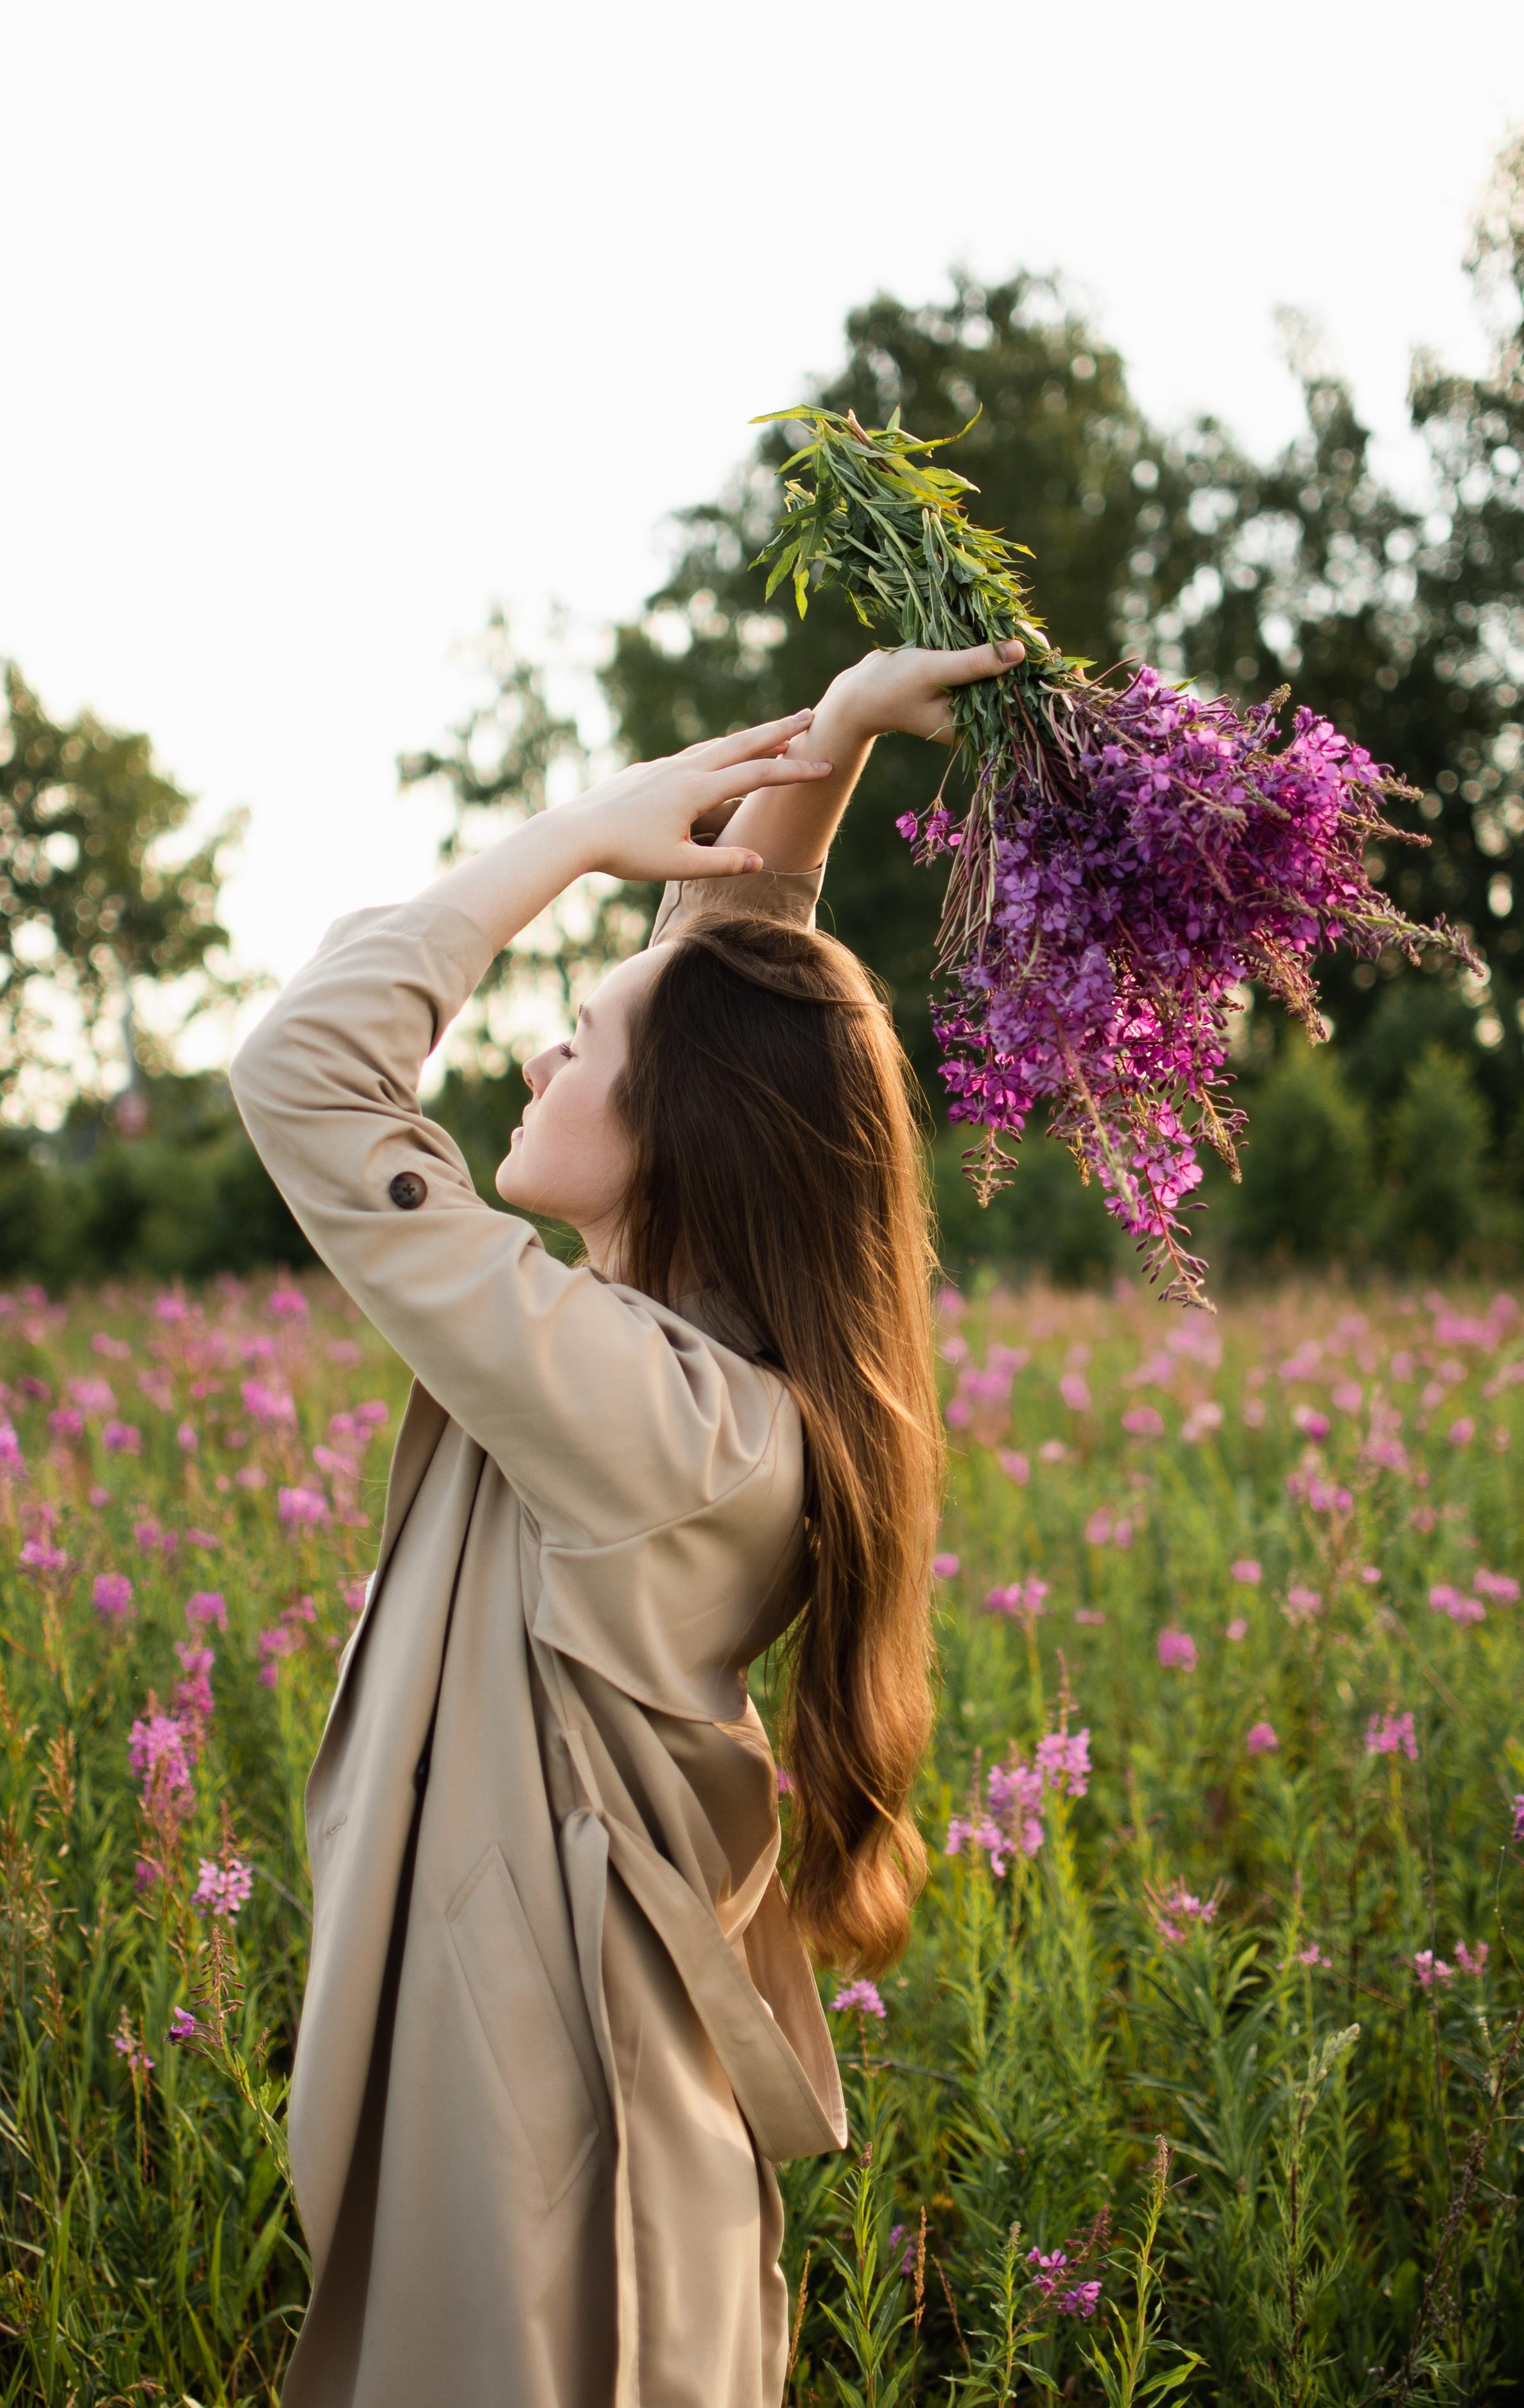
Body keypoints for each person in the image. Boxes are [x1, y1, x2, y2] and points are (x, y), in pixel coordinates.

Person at [230, 634, 1026, 2408]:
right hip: (563, 2095)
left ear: (677, 1138)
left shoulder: (646, 1421)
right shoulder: (697, 1384)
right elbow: (724, 1004)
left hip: (541, 2145)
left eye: (575, 1042)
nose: (533, 1051)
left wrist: (575, 835)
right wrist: (822, 752)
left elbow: (302, 1073)